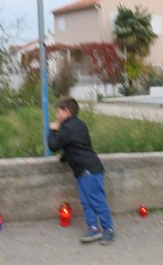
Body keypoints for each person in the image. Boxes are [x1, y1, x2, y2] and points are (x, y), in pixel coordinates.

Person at [48, 97, 115, 245]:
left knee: (96, 201)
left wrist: (52, 130)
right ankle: (93, 228)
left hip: (88, 170)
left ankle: (108, 230)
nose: (57, 116)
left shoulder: (66, 127)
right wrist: (64, 158)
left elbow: (53, 146)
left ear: (67, 111)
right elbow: (77, 145)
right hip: (86, 169)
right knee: (86, 202)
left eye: (58, 112)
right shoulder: (79, 124)